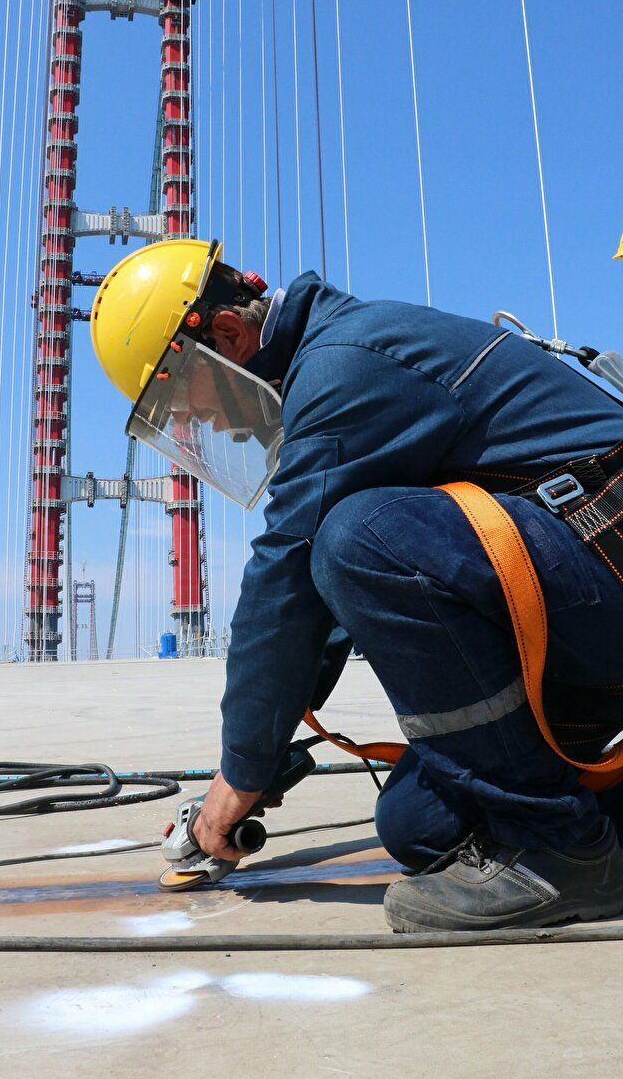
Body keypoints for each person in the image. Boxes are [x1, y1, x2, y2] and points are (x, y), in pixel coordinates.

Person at [91, 238, 623, 932]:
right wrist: (265, 754)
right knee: (418, 825)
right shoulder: (333, 364)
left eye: (190, 403)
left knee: (355, 539)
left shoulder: (344, 366)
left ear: (227, 335)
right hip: (575, 597)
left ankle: (565, 853)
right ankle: (591, 833)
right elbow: (320, 613)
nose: (209, 425)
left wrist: (239, 776)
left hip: (600, 554)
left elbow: (288, 572)